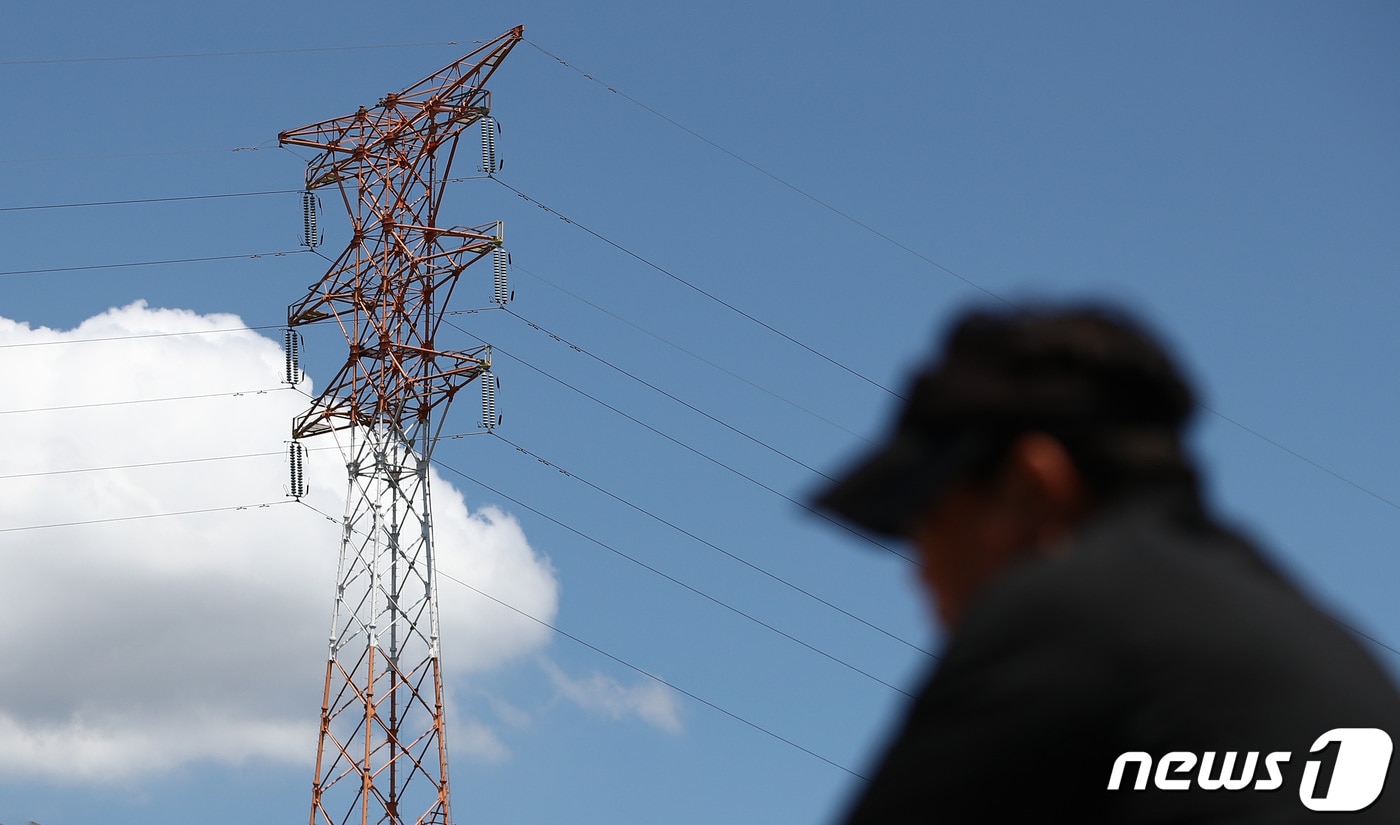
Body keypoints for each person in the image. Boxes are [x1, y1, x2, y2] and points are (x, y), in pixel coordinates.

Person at [813, 304, 1400, 822]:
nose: (918, 571)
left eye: (927, 523)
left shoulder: (1065, 612)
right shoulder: (1300, 631)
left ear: (1031, 487)